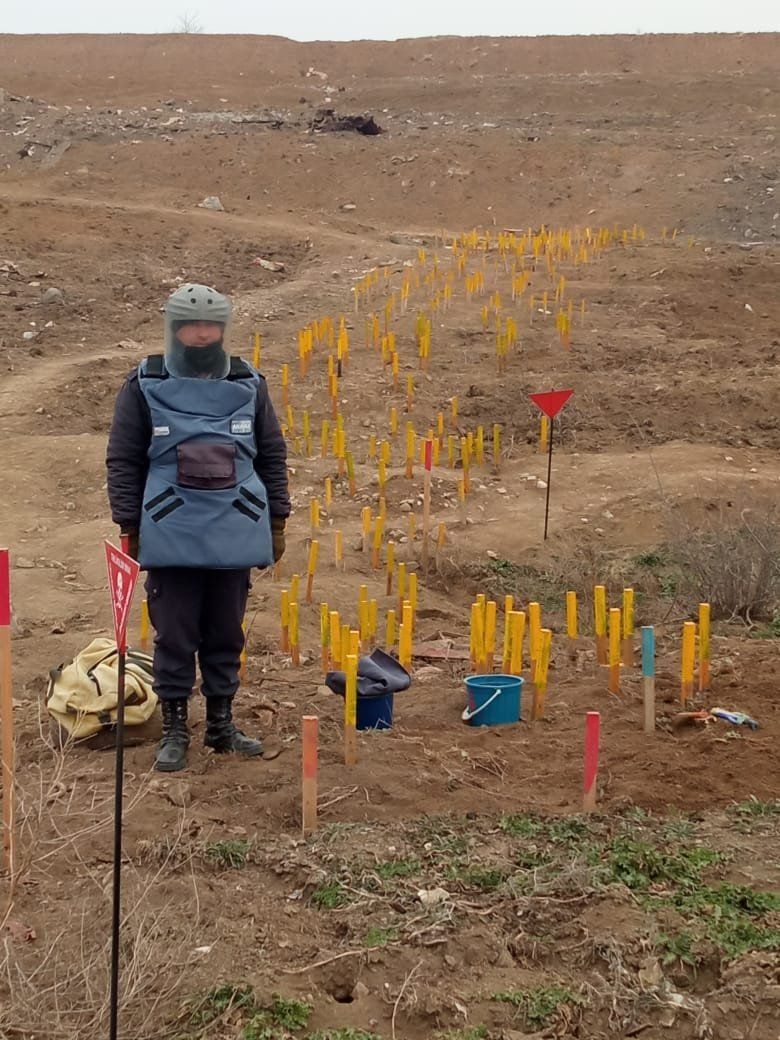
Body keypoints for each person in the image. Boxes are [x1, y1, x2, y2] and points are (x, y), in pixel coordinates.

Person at [106, 283, 290, 772]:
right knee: (175, 633)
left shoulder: (249, 382)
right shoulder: (143, 383)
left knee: (226, 631)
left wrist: (278, 519)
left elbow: (271, 454)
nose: (202, 334)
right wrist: (129, 523)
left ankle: (221, 726)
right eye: (192, 325)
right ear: (174, 329)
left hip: (236, 526)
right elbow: (123, 460)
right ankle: (173, 729)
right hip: (171, 531)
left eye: (211, 325)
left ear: (224, 330)